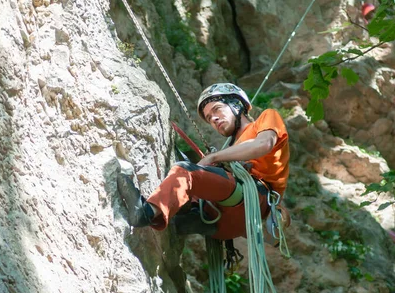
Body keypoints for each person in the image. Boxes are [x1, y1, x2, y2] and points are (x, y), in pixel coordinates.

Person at [117, 83, 290, 240]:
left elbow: (264, 144)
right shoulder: (232, 148)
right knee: (192, 176)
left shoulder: (267, 118)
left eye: (217, 109)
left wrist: (213, 157)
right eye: (209, 118)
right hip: (226, 225)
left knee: (185, 172)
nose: (213, 119)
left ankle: (145, 212)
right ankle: (191, 216)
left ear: (236, 105)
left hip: (253, 199)